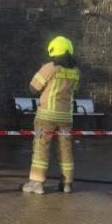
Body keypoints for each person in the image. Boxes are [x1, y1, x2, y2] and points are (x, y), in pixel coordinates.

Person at [22, 36, 81, 195]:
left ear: (54, 49)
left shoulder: (50, 67)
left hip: (46, 115)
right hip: (66, 117)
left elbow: (33, 88)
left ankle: (37, 183)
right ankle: (67, 183)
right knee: (65, 148)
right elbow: (75, 90)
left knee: (41, 146)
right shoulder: (76, 71)